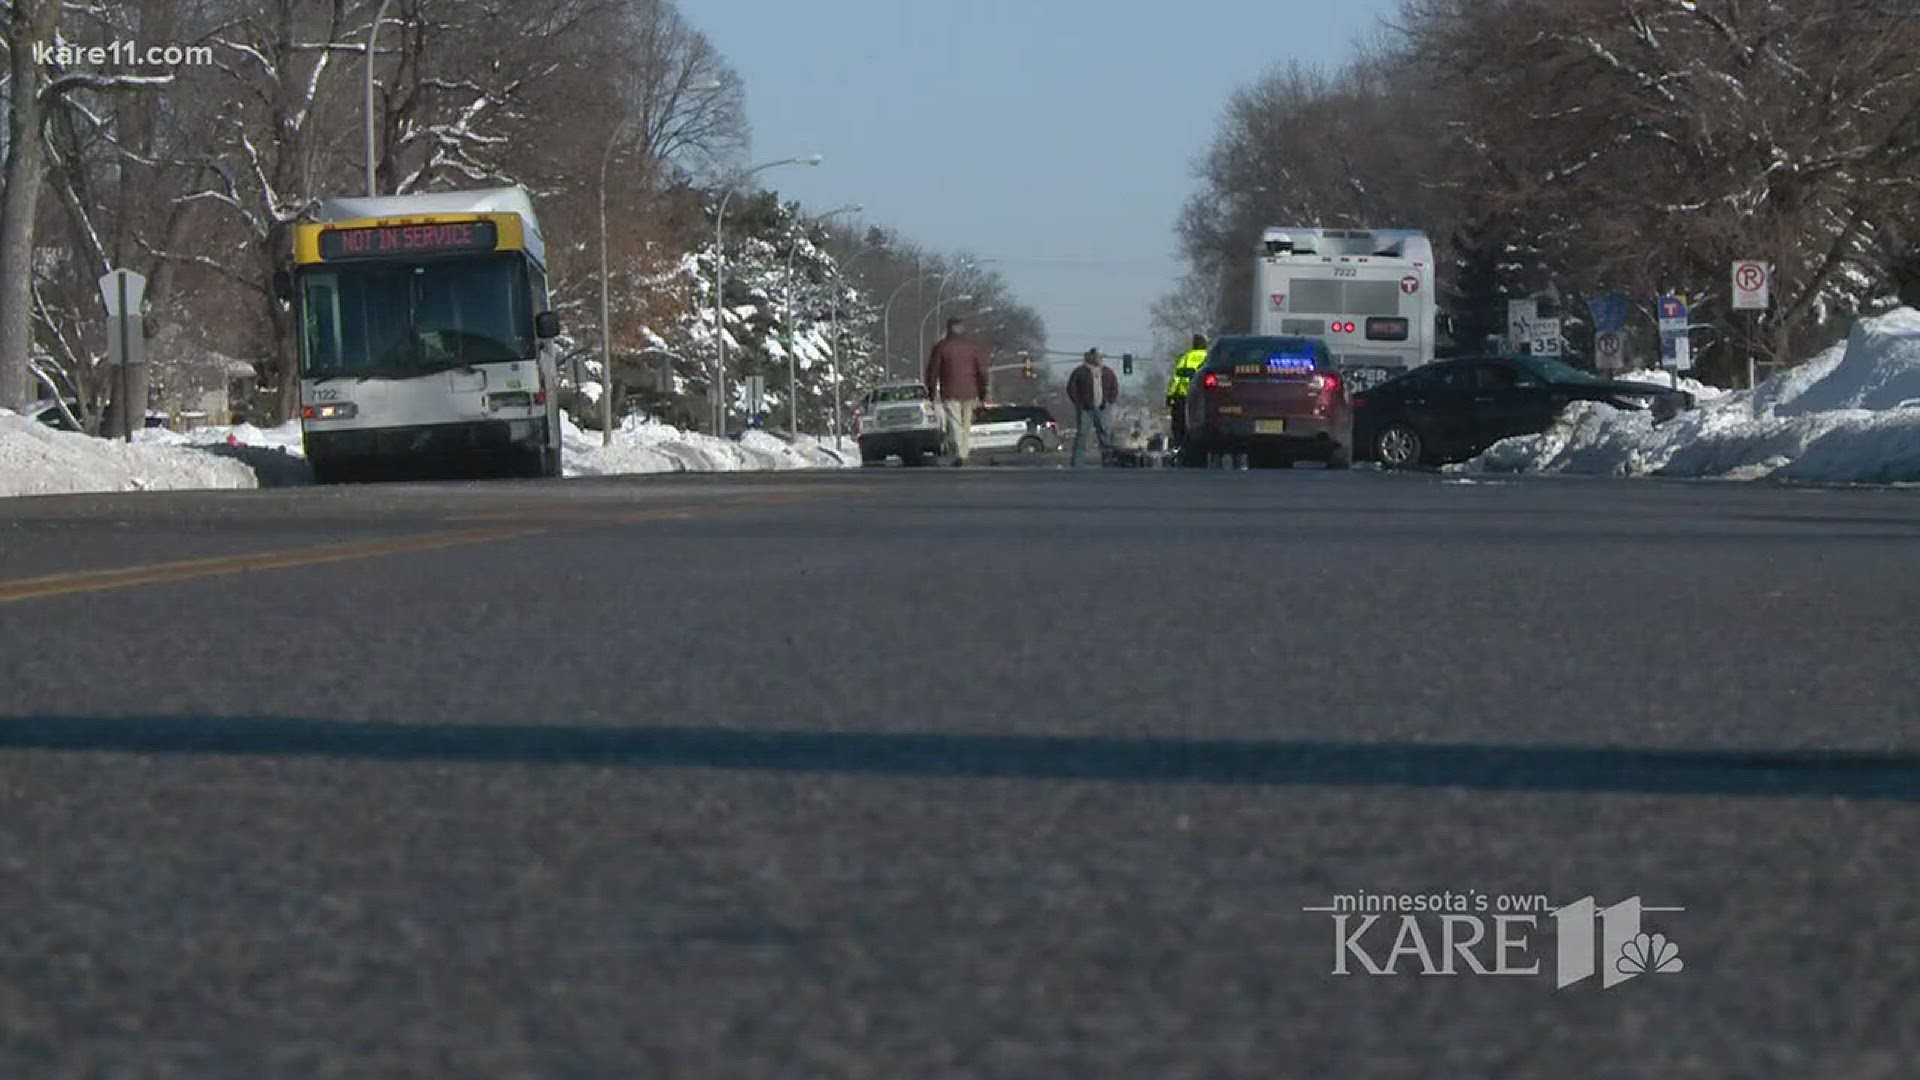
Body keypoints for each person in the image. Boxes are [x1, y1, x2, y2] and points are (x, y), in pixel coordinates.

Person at [924, 316, 990, 465]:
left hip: (950, 391)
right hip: (970, 392)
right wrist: (982, 391)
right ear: (962, 329)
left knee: (955, 423)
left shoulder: (941, 347)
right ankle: (963, 453)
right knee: (966, 424)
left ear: (948, 329)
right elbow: (982, 371)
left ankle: (960, 453)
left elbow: (932, 372)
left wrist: (931, 391)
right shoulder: (973, 347)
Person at [1066, 348, 1120, 467]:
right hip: (1086, 409)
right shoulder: (1080, 372)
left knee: (1104, 435)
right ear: (1090, 357)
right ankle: (1077, 463)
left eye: (1099, 357)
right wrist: (1079, 403)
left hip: (1102, 408)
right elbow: (1071, 388)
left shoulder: (1107, 372)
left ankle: (1108, 462)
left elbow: (1114, 387)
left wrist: (1109, 401)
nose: (1098, 359)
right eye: (1096, 356)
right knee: (1082, 436)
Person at [1166, 333, 1208, 453]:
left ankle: (1180, 447)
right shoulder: (1209, 357)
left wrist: (1170, 395)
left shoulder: (1186, 358)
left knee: (1180, 423)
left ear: (1193, 345)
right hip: (1202, 396)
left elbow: (1177, 379)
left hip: (1183, 395)